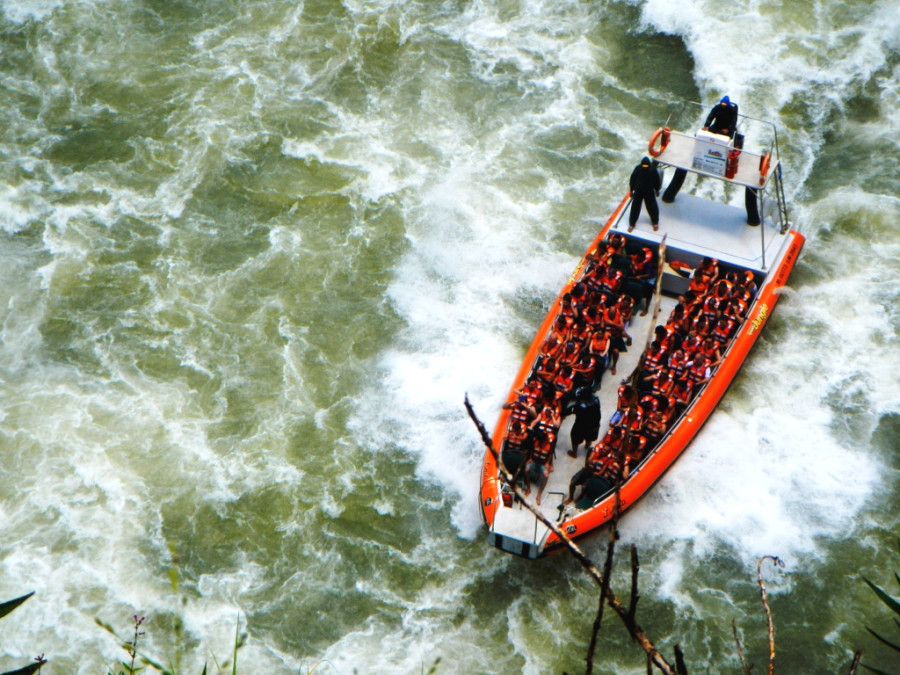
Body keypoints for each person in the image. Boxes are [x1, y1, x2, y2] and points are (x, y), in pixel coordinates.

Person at [628, 156, 661, 232]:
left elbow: (657, 181)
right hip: (638, 191)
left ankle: (655, 222)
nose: (645, 167)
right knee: (635, 208)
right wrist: (631, 190)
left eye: (646, 166)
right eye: (643, 166)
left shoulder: (653, 170)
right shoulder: (638, 169)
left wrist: (657, 190)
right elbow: (632, 179)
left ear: (649, 165)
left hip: (649, 191)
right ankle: (632, 224)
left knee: (652, 207)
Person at [566, 387, 601, 459]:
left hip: (582, 426)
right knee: (590, 435)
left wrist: (563, 413)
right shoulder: (596, 399)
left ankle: (574, 453)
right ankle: (588, 444)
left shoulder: (581, 405)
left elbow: (571, 410)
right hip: (595, 424)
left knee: (574, 435)